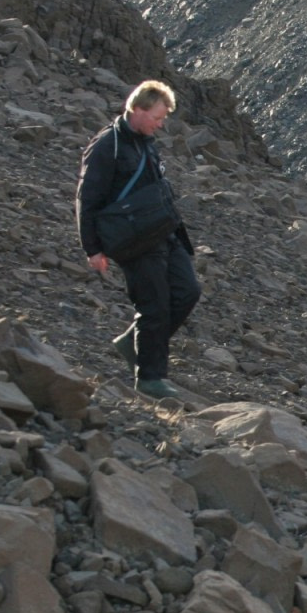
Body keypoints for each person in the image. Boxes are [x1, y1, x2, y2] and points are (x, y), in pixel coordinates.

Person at [76, 80, 201, 400]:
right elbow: (87, 198)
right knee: (153, 305)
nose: (161, 125)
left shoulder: (146, 140)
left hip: (163, 231)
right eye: (157, 118)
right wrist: (93, 248)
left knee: (187, 291)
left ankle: (135, 343)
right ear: (138, 109)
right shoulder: (108, 146)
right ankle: (149, 377)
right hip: (133, 240)